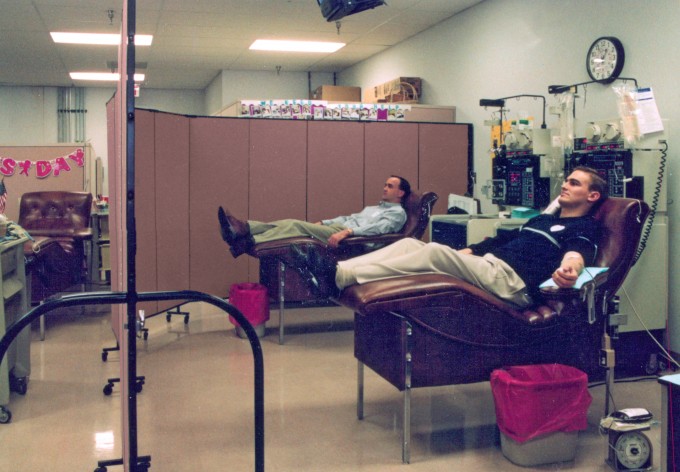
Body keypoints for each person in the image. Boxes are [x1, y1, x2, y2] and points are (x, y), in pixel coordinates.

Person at [288, 167, 608, 307]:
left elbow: (577, 253)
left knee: (434, 253)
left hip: (514, 285)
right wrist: (469, 250)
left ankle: (338, 275)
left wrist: (571, 269)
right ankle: (339, 271)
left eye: (575, 184)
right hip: (492, 266)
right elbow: (500, 242)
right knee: (411, 243)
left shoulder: (586, 228)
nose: (565, 185)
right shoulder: (542, 219)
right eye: (566, 180)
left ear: (592, 196)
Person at [218, 175, 411, 258]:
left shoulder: (397, 214)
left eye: (390, 186)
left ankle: (247, 239)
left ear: (401, 193)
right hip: (343, 230)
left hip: (353, 240)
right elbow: (348, 217)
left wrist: (349, 232)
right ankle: (244, 229)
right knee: (290, 223)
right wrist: (325, 222)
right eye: (385, 185)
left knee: (296, 225)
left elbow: (379, 230)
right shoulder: (373, 208)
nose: (385, 188)